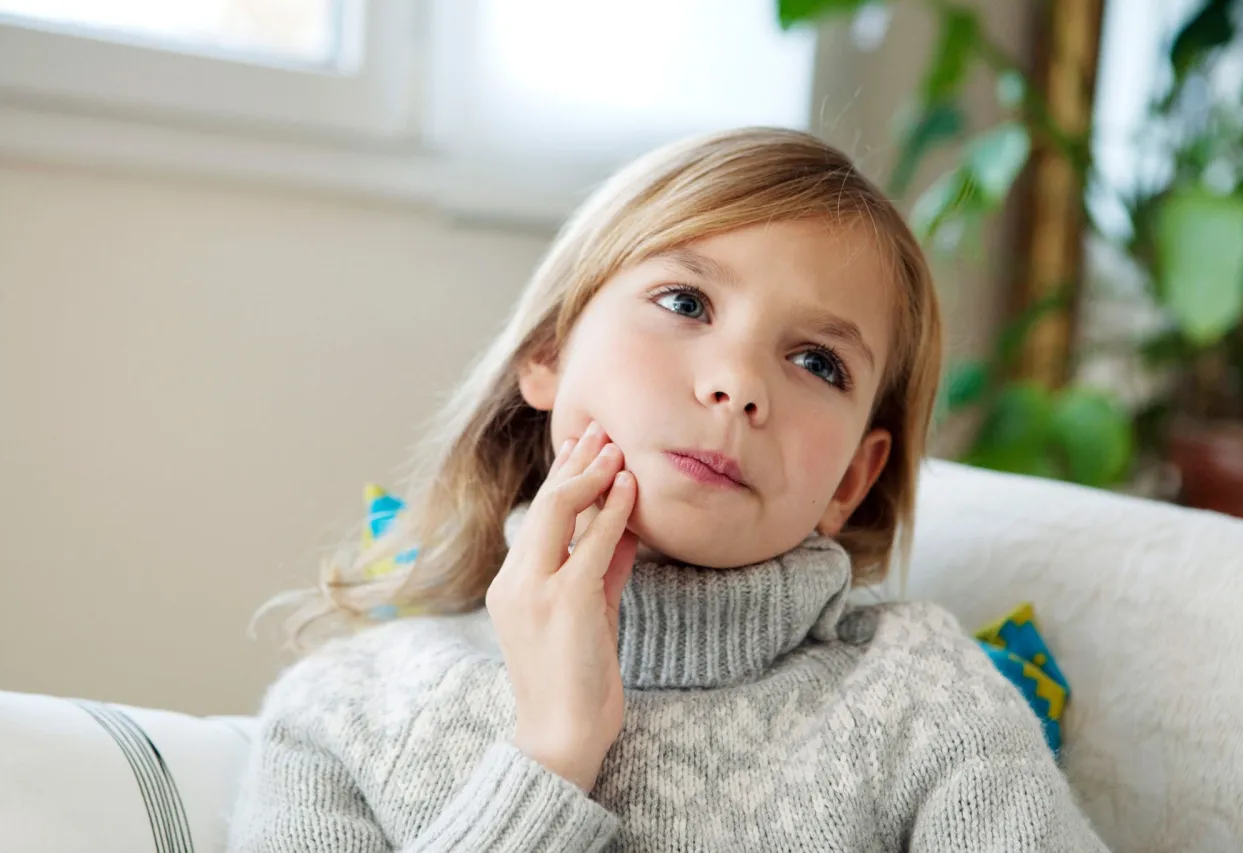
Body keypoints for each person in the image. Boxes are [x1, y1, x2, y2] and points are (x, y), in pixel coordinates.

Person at [229, 127, 1108, 851]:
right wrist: (549, 755)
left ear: (852, 478)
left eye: (816, 361)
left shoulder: (927, 696)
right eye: (687, 303)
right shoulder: (342, 708)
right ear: (548, 349)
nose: (739, 385)